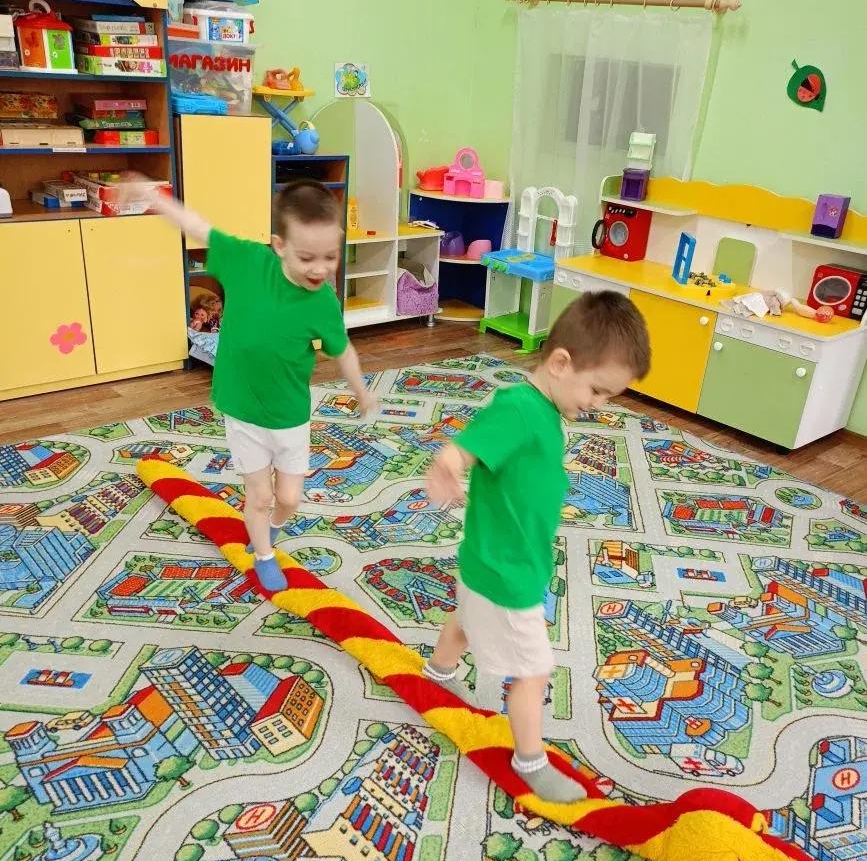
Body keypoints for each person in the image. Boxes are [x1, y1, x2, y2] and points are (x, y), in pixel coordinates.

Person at [423, 291, 651, 803]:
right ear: (561, 363)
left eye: (609, 396)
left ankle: (437, 673)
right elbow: (468, 445)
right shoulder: (521, 409)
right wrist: (448, 464)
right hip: (507, 573)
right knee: (533, 669)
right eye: (597, 390)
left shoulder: (543, 410)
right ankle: (530, 762)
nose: (598, 404)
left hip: (491, 558)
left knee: (466, 618)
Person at [126, 177, 376, 592]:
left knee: (289, 498)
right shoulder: (247, 260)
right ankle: (262, 554)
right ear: (279, 246)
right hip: (242, 407)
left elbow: (343, 350)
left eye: (330, 257)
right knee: (259, 496)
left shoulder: (322, 302)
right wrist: (153, 197)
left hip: (290, 413)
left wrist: (362, 391)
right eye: (307, 257)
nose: (320, 269)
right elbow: (197, 225)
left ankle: (272, 526)